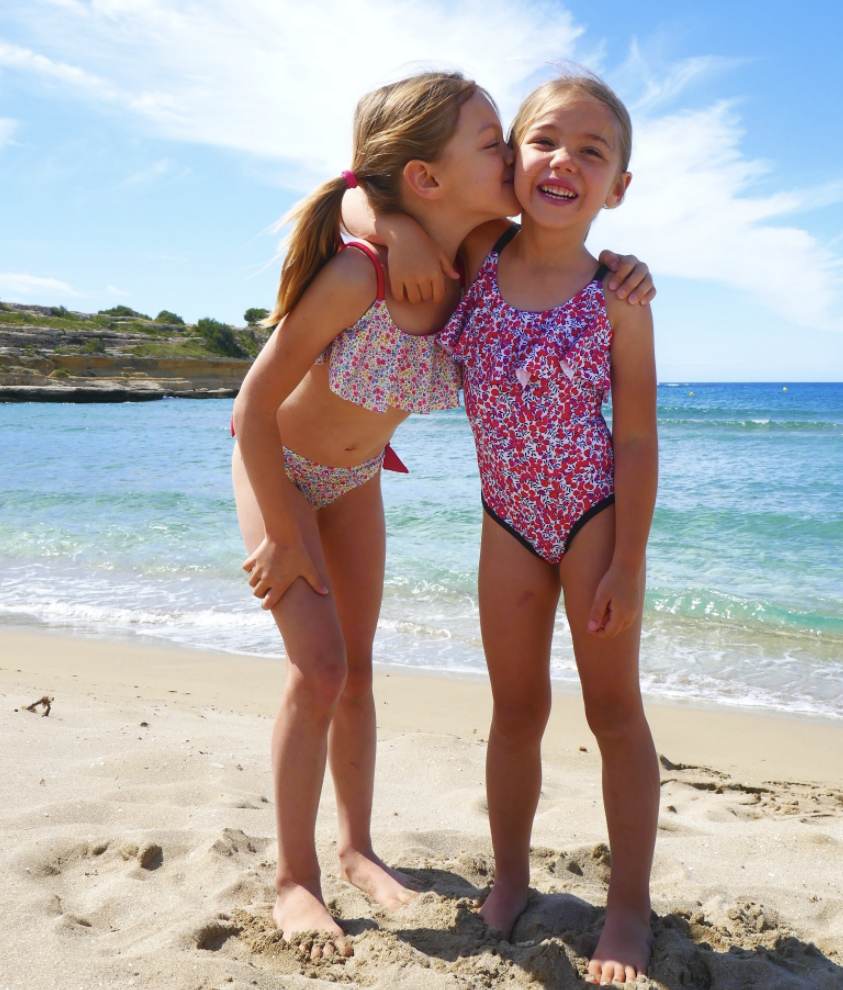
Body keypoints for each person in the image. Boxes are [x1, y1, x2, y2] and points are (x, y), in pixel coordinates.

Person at [231, 70, 655, 958]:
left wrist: (626, 264)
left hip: (357, 485)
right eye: (502, 143)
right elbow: (254, 406)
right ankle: (294, 879)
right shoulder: (377, 268)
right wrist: (277, 525)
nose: (520, 159)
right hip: (284, 468)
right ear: (426, 177)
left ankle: (355, 850)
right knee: (319, 671)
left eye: (514, 139)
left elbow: (563, 246)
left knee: (357, 674)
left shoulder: (484, 260)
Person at [438, 69, 661, 985]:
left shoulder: (619, 296)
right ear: (509, 161)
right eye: (544, 142)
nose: (564, 162)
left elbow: (639, 435)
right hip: (505, 520)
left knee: (614, 712)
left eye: (592, 151)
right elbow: (384, 210)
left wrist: (629, 564)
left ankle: (628, 907)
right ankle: (512, 875)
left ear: (618, 186)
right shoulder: (476, 256)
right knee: (516, 710)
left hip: (594, 518)